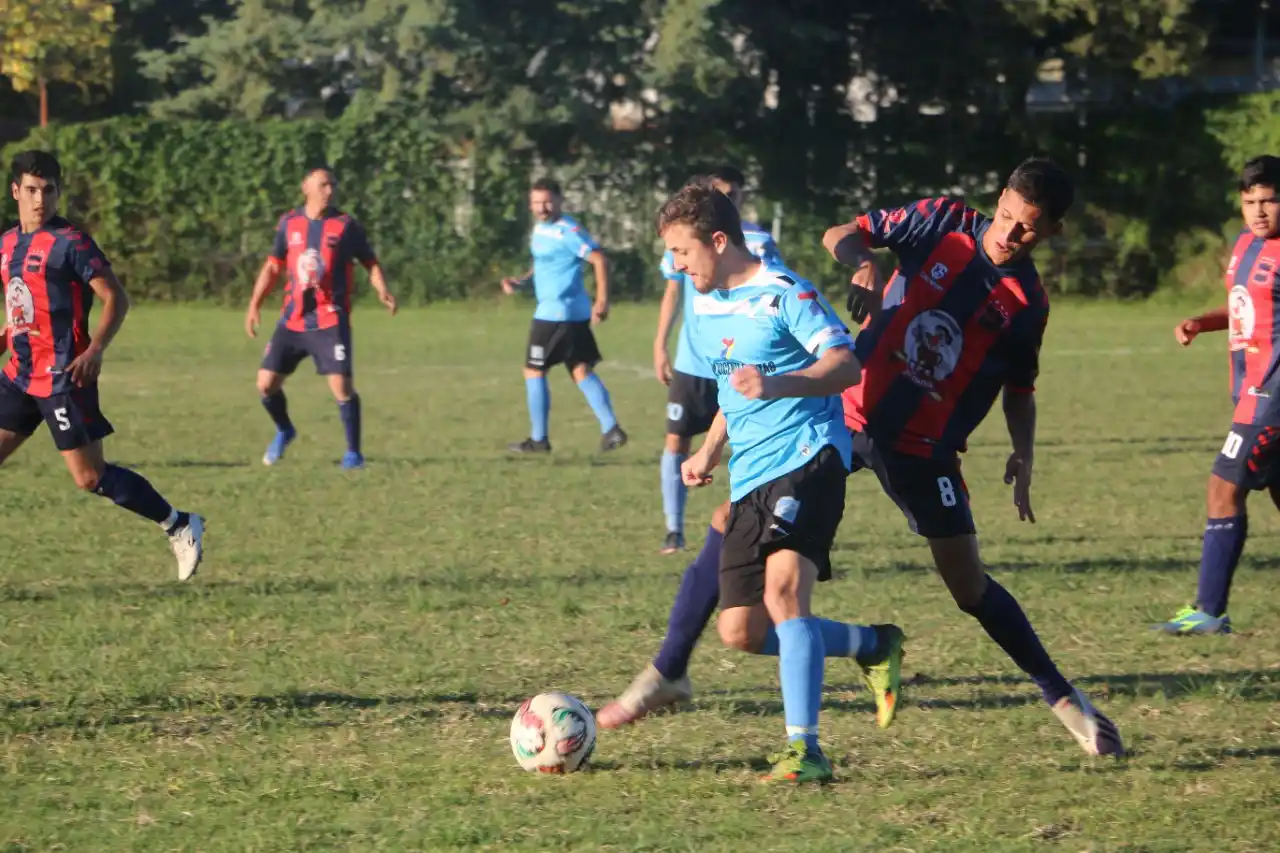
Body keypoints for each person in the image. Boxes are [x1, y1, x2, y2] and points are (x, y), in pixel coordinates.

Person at [601, 159, 1123, 760]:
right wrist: (864, 262)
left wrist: (1023, 452)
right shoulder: (944, 221)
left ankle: (1063, 698)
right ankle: (669, 670)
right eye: (1006, 215)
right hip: (845, 417)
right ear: (999, 196)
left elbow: (1020, 388)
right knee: (733, 523)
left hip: (926, 449)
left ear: (1052, 230)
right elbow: (842, 233)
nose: (1009, 233)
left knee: (968, 585)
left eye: (1027, 227)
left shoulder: (1027, 304)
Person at [648, 179, 902, 783]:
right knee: (741, 630)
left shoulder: (785, 294)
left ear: (718, 241)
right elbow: (734, 392)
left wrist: (780, 383)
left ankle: (805, 751)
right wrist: (709, 451)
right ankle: (871, 645)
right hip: (750, 475)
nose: (676, 265)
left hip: (810, 457)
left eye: (682, 251)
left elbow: (845, 365)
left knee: (786, 593)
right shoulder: (707, 309)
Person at [0, 150, 205, 580]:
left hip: (63, 377)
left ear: (58, 193)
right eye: (32, 190)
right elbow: (23, 309)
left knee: (90, 477)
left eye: (49, 191)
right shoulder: (7, 245)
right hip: (19, 375)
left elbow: (116, 298)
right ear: (16, 191)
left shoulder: (71, 242)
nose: (40, 200)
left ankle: (180, 524)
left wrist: (95, 349)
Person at [1154, 154, 1280, 635]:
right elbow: (1245, 306)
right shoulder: (1245, 244)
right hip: (1249, 390)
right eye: (1250, 202)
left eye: (1269, 201)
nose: (1259, 211)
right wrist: (1202, 322)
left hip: (1271, 397)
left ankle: (1209, 611)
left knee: (1222, 488)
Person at [654, 166, 783, 554]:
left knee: (749, 440)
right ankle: (674, 528)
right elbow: (673, 291)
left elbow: (776, 293)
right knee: (677, 439)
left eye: (734, 194)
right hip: (694, 361)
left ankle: (756, 523)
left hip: (740, 362)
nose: (729, 199)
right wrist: (660, 343)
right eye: (721, 193)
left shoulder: (758, 242)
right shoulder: (687, 241)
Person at [244, 166, 398, 470]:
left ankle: (353, 454)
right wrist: (254, 305)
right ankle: (284, 430)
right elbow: (273, 266)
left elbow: (370, 263)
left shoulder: (346, 226)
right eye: (324, 185)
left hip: (330, 320)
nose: (330, 190)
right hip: (293, 320)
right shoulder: (289, 223)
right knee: (265, 385)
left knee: (341, 387)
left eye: (333, 185)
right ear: (307, 188)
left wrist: (382, 289)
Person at [502, 179, 627, 454]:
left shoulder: (568, 231)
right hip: (568, 314)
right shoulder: (540, 230)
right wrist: (521, 282)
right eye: (536, 203)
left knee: (534, 370)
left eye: (547, 201)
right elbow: (543, 265)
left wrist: (602, 300)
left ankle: (539, 439)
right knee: (580, 369)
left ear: (559, 200)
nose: (542, 208)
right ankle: (611, 429)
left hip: (556, 314)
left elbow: (599, 259)